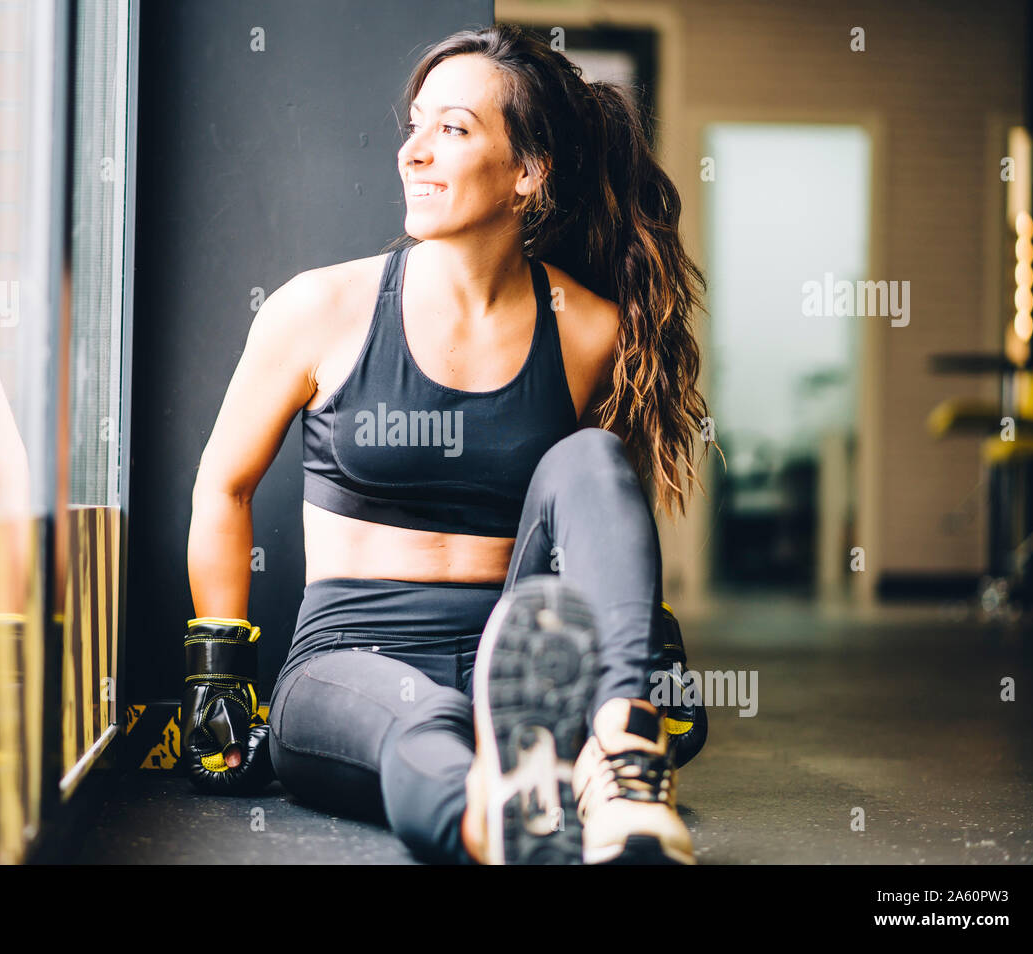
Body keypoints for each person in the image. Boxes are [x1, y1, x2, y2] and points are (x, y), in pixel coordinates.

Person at [184, 24, 715, 864]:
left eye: (454, 129)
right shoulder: (319, 309)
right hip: (351, 658)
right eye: (415, 126)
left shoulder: (586, 330)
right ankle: (503, 822)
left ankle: (622, 756)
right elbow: (223, 488)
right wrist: (216, 672)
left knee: (592, 460)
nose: (415, 152)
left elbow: (603, 514)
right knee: (421, 721)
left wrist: (645, 648)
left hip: (522, 654)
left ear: (528, 174)